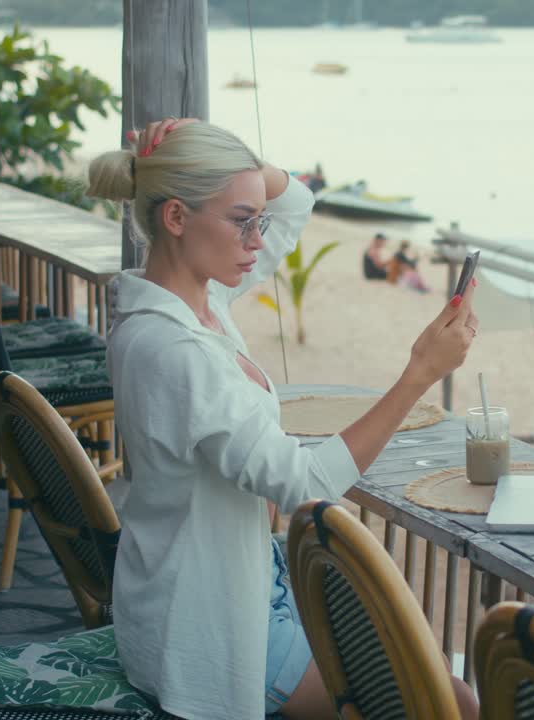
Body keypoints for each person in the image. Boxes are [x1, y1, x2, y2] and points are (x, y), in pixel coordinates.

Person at [89, 118, 480, 720]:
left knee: (430, 655)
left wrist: (218, 148)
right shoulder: (175, 351)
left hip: (236, 585)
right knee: (446, 700)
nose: (256, 238)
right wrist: (419, 375)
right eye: (242, 220)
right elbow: (304, 487)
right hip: (209, 628)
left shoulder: (197, 306)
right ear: (175, 218)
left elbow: (295, 201)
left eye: (256, 220)